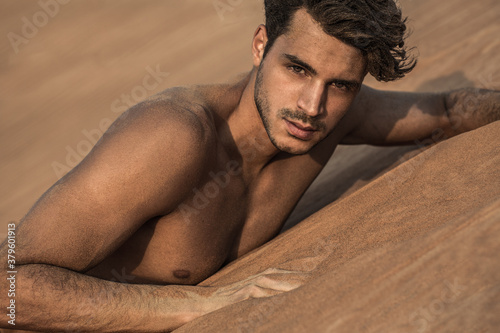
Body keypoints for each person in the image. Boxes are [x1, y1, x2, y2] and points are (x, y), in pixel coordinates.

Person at [1, 0, 498, 331]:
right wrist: (200, 303)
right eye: (297, 69)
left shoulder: (337, 114)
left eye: (341, 84)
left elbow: (450, 111)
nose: (311, 105)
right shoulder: (174, 137)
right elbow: (6, 287)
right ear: (261, 45)